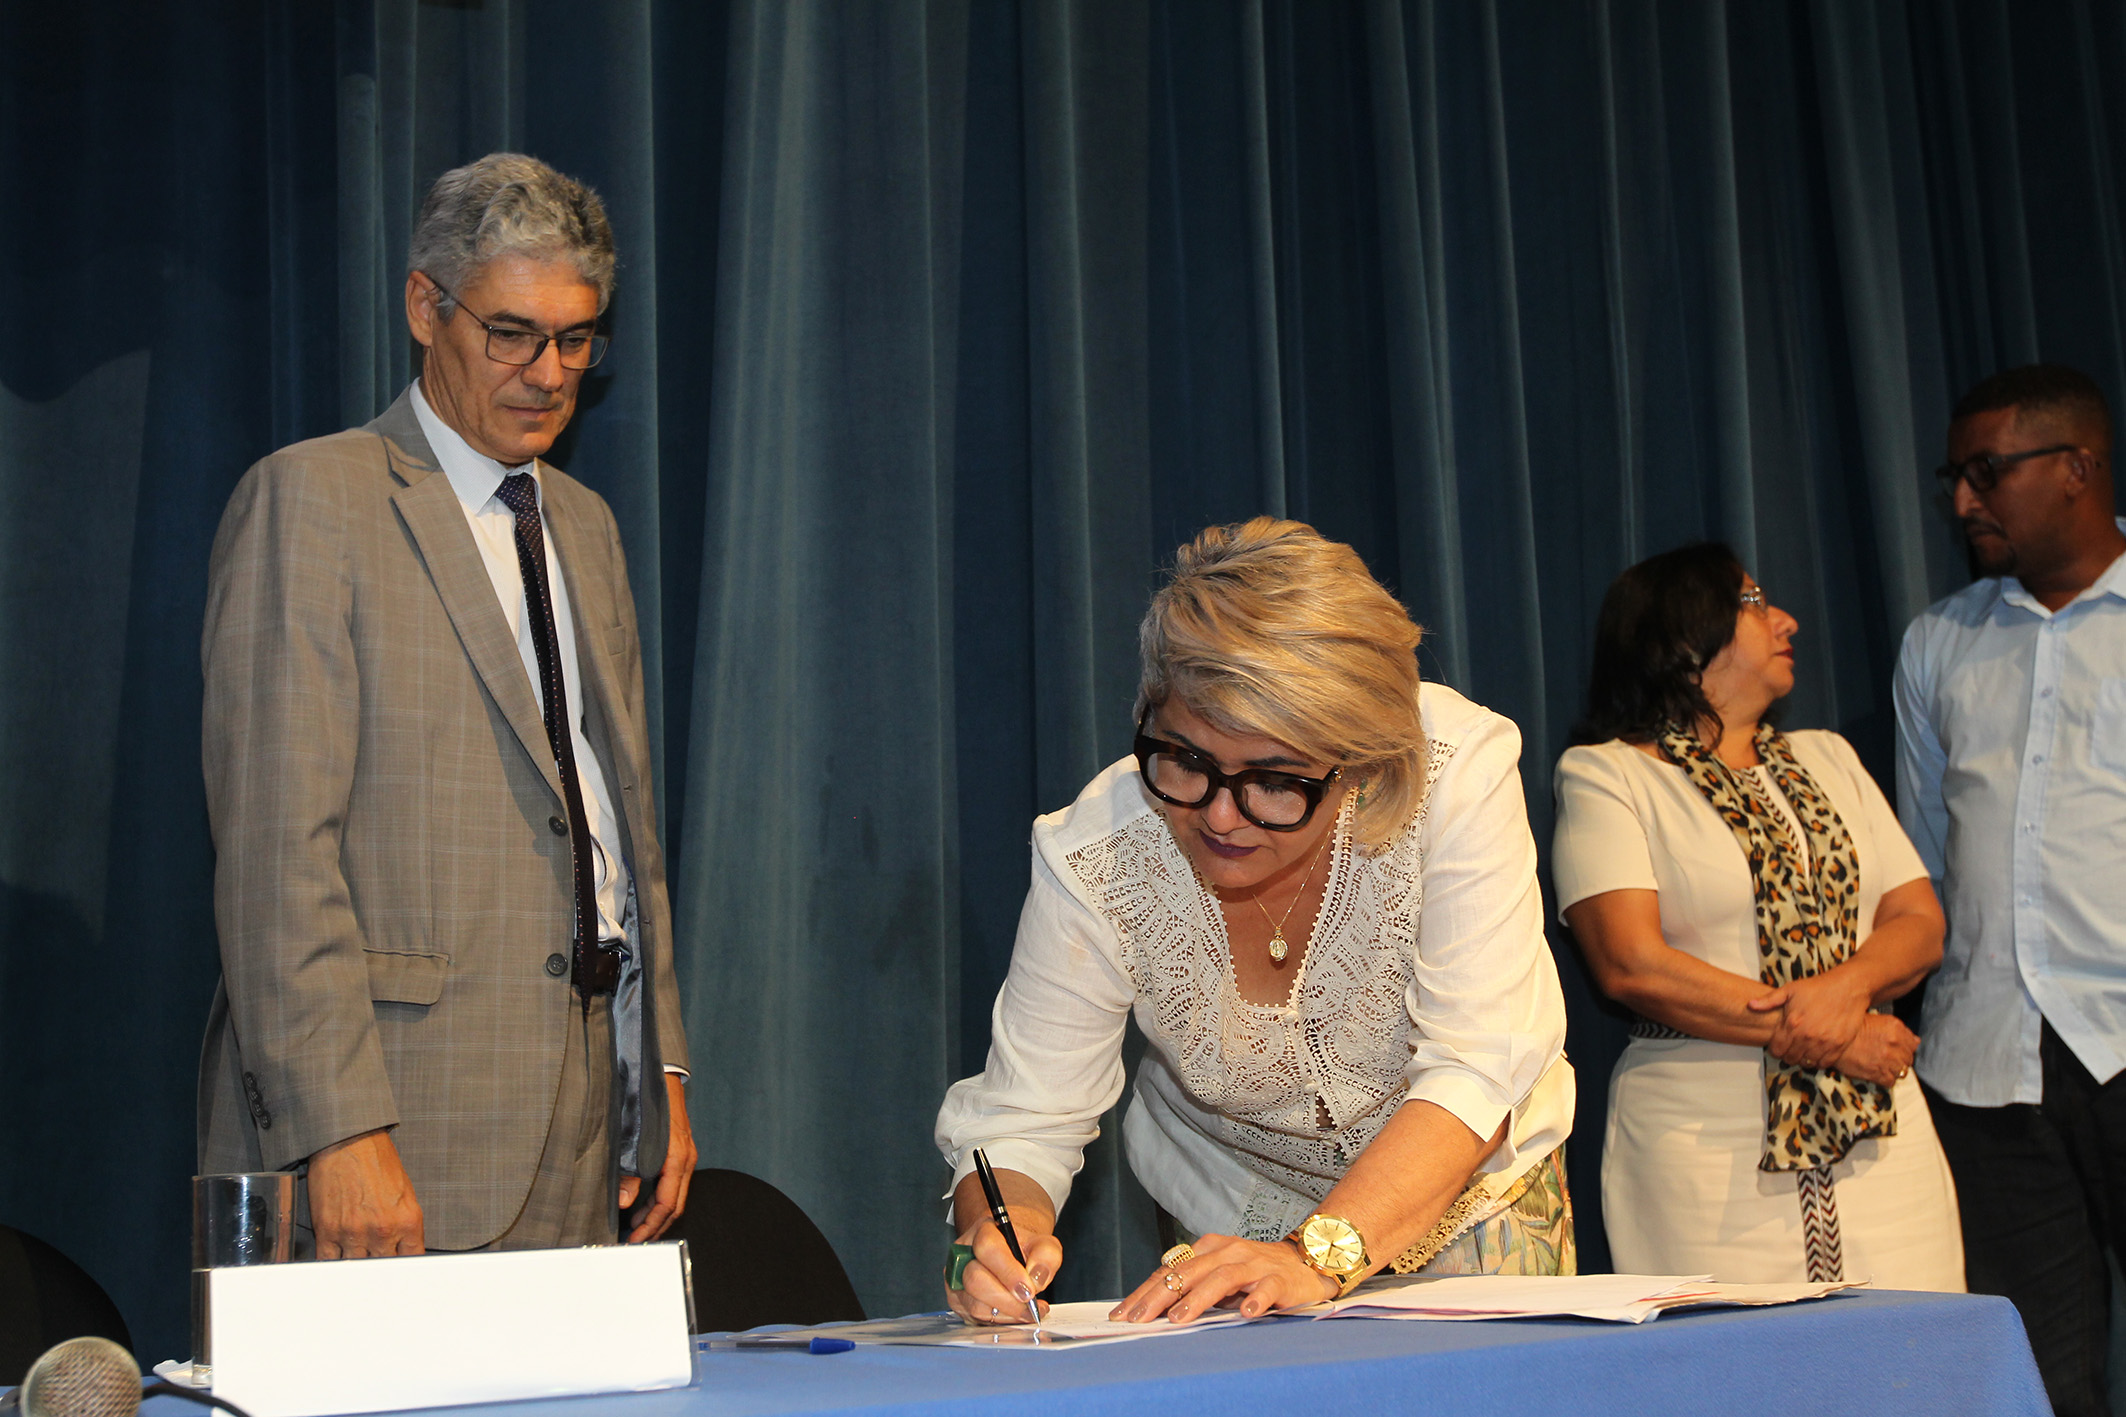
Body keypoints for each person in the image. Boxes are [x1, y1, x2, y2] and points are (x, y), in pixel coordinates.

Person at [196, 153, 695, 1259]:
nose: (548, 373)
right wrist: (338, 1128)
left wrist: (656, 1063)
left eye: (576, 339)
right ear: (427, 308)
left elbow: (619, 826)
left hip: (584, 1118)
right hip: (393, 1120)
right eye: (512, 334)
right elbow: (276, 855)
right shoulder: (314, 499)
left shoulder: (586, 524)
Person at [934, 518, 1575, 1326]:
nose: (1221, 817)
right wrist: (999, 1235)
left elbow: (1476, 1065)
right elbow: (1024, 1118)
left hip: (1463, 1201)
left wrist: (1316, 1255)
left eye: (1275, 781)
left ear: (1362, 766)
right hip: (1230, 1216)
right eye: (1187, 760)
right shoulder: (1097, 854)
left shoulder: (1455, 773)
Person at [1553, 544, 1961, 1288]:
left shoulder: (1829, 757)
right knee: (1736, 1354)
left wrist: (1844, 992)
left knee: (1917, 1348)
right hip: (1704, 1150)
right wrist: (1836, 1035)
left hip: (1882, 1136)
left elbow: (1918, 920)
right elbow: (1631, 965)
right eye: (1753, 602)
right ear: (1684, 639)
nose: (1786, 620)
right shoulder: (1608, 774)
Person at [1895, 363, 2126, 1417]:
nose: (1961, 501)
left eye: (1986, 472)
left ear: (2077, 466)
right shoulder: (1938, 642)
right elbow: (1924, 857)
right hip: (1987, 1063)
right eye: (1953, 477)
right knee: (2038, 1380)